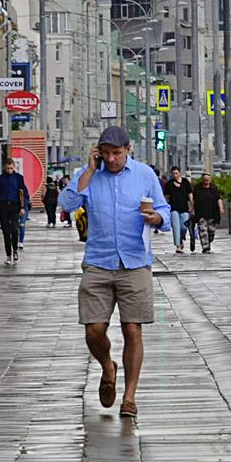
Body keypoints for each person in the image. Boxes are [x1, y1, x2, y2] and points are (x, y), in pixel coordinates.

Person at [59, 125, 168, 418]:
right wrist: (90, 170)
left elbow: (165, 212)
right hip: (98, 261)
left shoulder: (145, 175)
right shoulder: (91, 174)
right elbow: (66, 204)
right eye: (105, 154)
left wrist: (157, 217)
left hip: (135, 262)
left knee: (133, 329)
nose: (111, 159)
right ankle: (108, 366)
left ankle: (129, 398)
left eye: (116, 154)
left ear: (128, 150)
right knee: (94, 330)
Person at [0, 154, 27, 265]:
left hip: (15, 206)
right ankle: (8, 255)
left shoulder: (18, 178)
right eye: (7, 168)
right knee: (6, 232)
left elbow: (23, 193)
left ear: (14, 167)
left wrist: (23, 207)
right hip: (3, 206)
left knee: (14, 229)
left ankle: (15, 250)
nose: (9, 170)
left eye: (11, 168)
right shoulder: (0, 179)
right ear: (4, 167)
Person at [163, 165, 193, 253]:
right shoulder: (169, 184)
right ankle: (178, 245)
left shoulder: (185, 182)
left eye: (176, 173)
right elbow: (167, 196)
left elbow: (190, 194)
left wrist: (192, 205)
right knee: (176, 227)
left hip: (184, 207)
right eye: (173, 174)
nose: (175, 175)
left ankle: (182, 237)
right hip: (173, 208)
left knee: (184, 227)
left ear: (179, 173)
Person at [191, 173, 222, 252]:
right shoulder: (198, 188)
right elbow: (194, 200)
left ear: (210, 180)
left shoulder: (214, 189)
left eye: (207, 180)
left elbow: (219, 199)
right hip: (201, 213)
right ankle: (205, 247)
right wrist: (192, 209)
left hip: (212, 214)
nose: (206, 182)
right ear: (202, 180)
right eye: (204, 180)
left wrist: (221, 208)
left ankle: (208, 241)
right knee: (203, 231)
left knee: (211, 232)